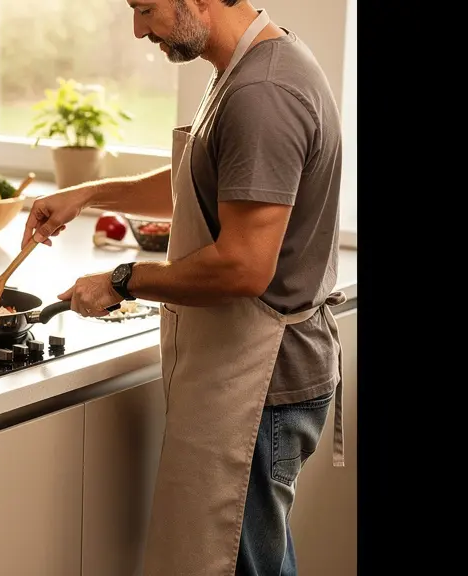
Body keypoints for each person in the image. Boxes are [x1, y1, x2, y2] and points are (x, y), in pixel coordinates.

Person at [22, 1, 347, 574]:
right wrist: (90, 193)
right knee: (256, 558)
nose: (137, 28)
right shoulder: (245, 68)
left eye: (145, 9)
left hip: (260, 381)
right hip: (245, 371)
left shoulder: (263, 93)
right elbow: (199, 182)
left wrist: (124, 281)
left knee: (237, 562)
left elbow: (242, 267)